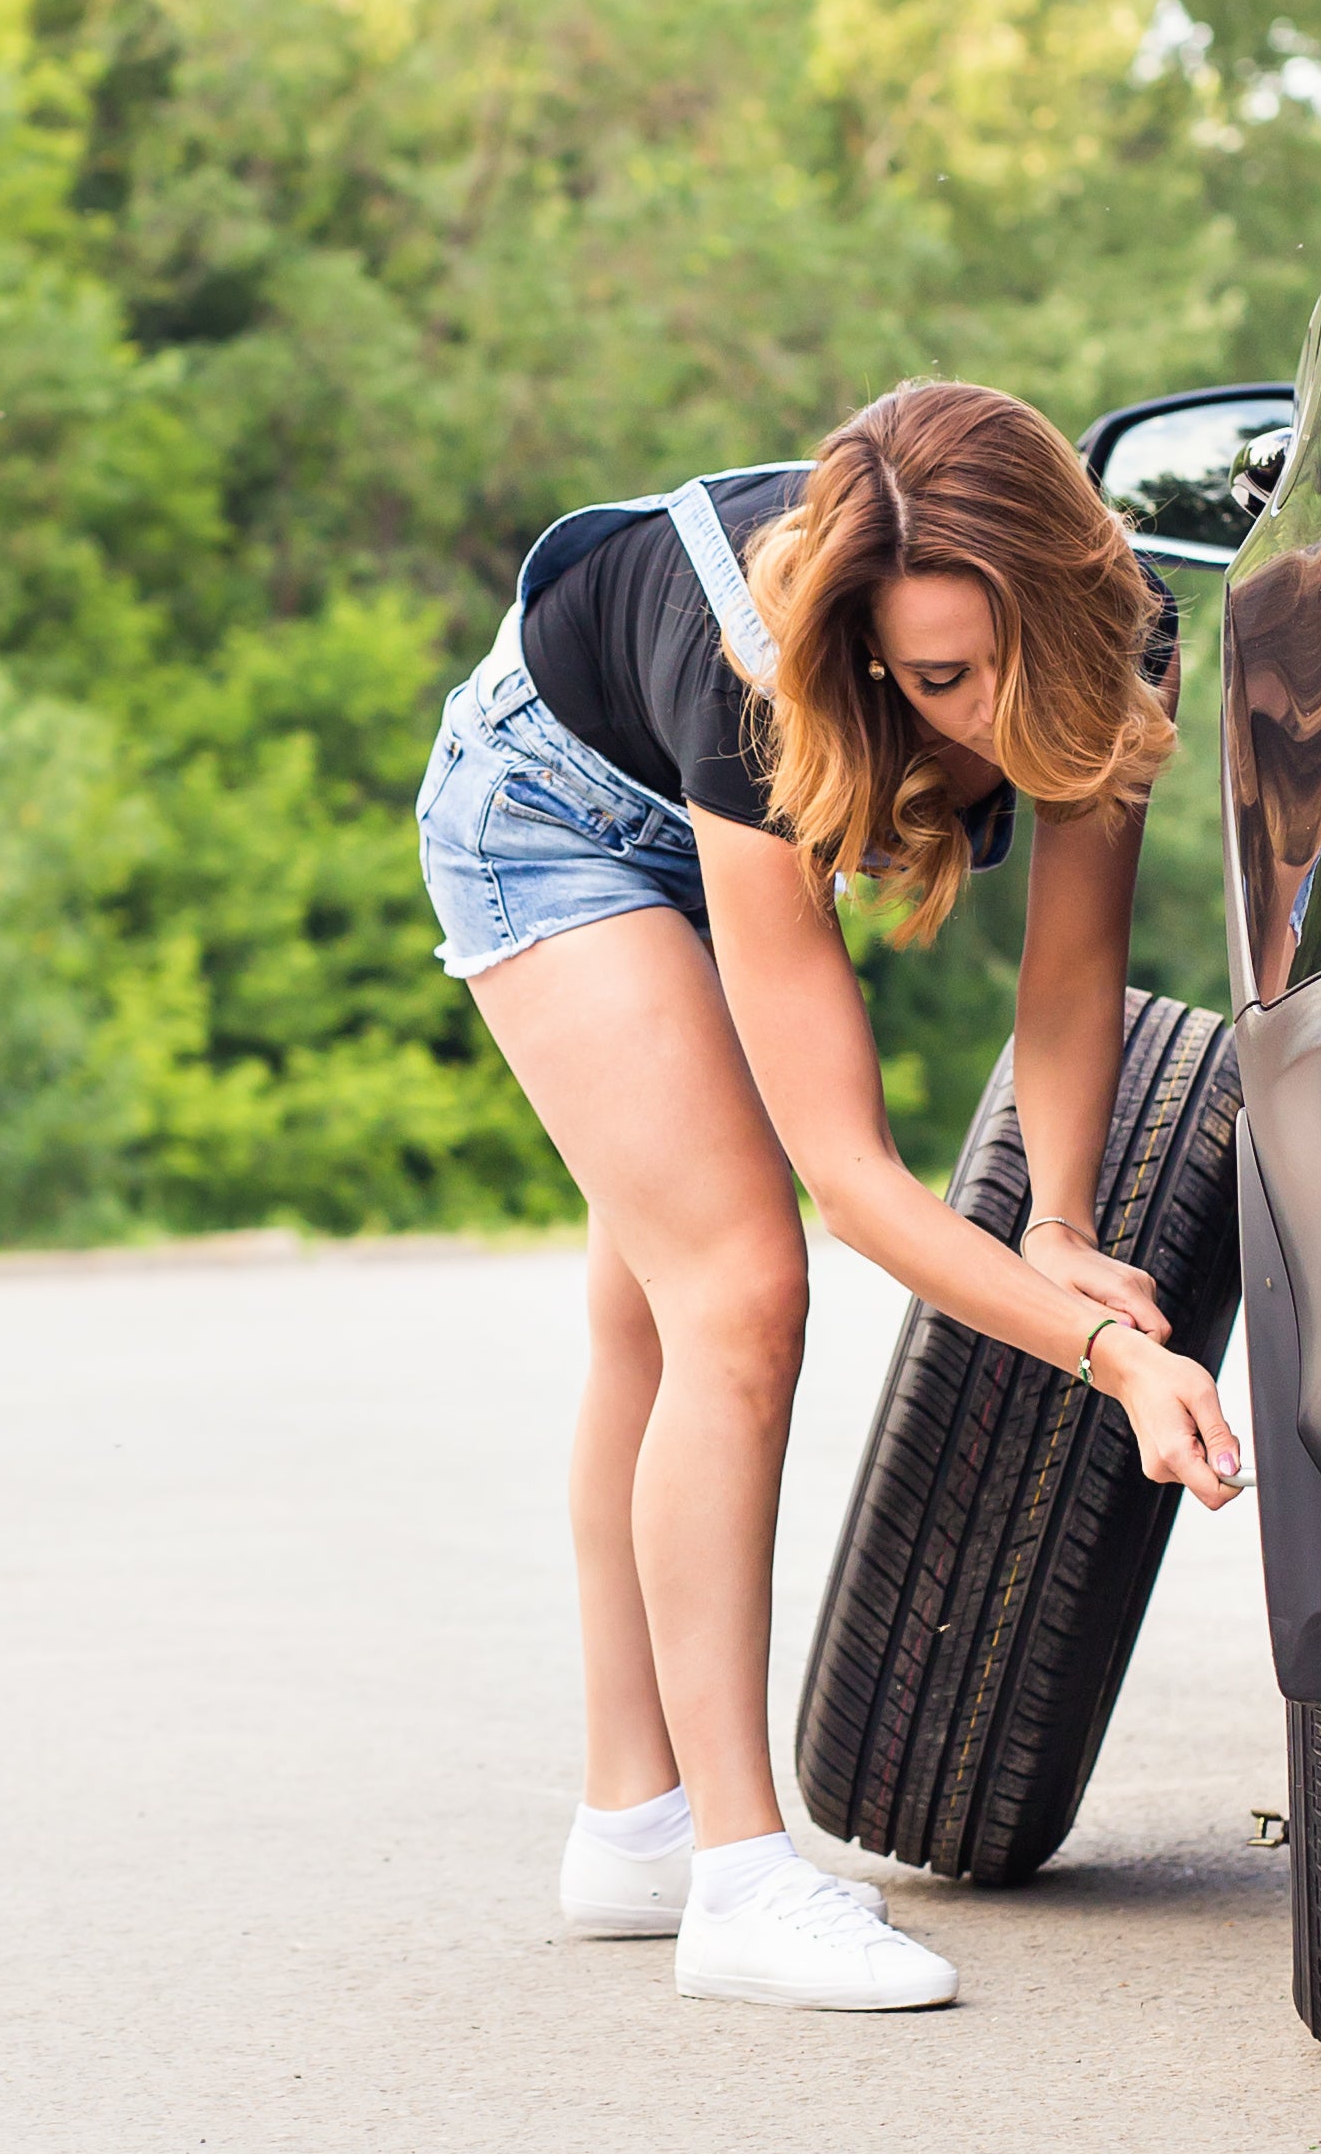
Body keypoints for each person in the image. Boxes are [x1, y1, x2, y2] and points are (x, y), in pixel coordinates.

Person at [415, 380, 1246, 2015]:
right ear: (867, 651)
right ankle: (735, 1875)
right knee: (737, 1288)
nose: (995, 718)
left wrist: (1065, 1232)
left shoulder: (1124, 625)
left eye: (1017, 665)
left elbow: (1070, 986)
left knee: (653, 1318)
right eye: (939, 681)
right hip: (554, 817)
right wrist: (1111, 1357)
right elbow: (853, 1180)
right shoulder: (763, 676)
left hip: (687, 792)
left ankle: (632, 1827)